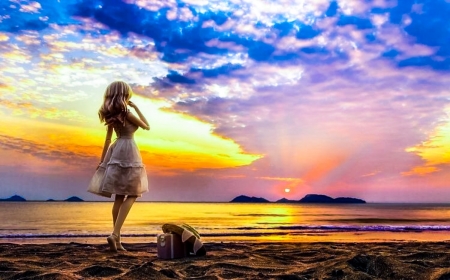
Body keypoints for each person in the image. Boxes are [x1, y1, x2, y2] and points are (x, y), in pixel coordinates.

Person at [87, 81, 150, 252]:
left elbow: (107, 140)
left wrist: (102, 162)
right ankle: (115, 234)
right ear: (124, 94)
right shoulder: (127, 113)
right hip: (129, 148)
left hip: (116, 150)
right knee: (134, 193)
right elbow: (147, 126)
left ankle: (118, 240)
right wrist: (136, 108)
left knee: (119, 197)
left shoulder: (110, 115)